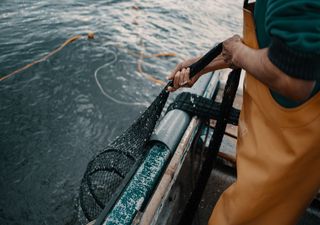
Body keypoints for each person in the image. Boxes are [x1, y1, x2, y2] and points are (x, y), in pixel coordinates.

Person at [167, 0, 320, 224]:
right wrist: (202, 65)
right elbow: (269, 46)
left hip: (293, 144)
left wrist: (238, 52)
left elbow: (293, 78)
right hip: (268, 134)